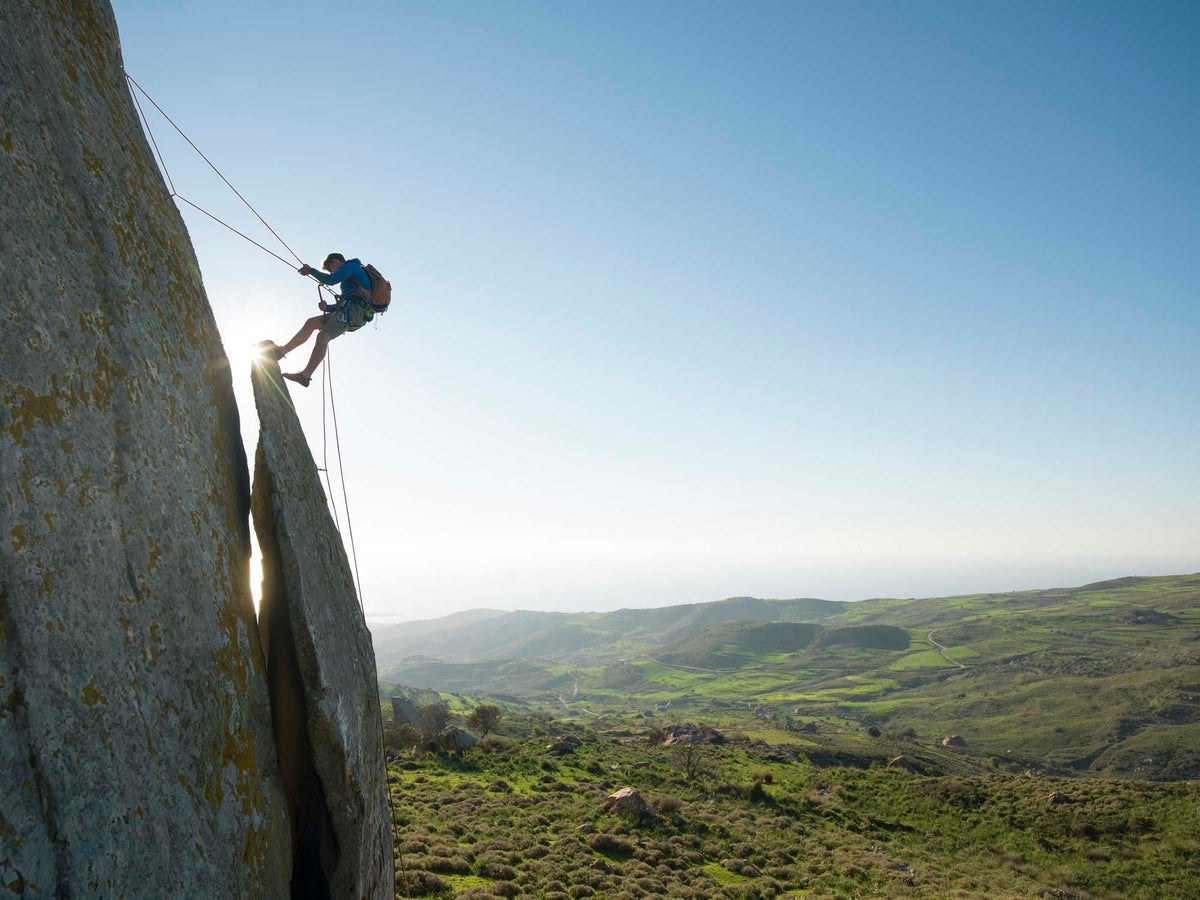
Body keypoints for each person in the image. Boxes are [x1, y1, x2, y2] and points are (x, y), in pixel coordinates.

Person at [262, 253, 374, 387]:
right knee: (312, 322)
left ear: (335, 260)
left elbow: (331, 280)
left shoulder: (351, 266)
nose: (331, 272)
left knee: (323, 336)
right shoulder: (349, 277)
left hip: (354, 313)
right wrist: (328, 307)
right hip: (348, 311)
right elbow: (346, 300)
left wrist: (311, 271)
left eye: (330, 268)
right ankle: (281, 352)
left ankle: (305, 376)